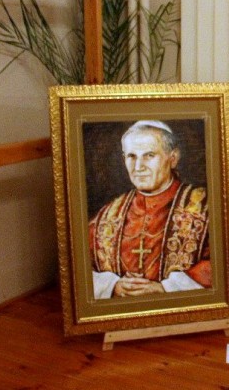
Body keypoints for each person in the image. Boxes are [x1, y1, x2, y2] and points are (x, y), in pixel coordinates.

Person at [89, 120, 210, 299]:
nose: (138, 167)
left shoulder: (204, 207)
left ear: (173, 158)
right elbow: (78, 268)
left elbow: (220, 264)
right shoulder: (108, 214)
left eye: (149, 155)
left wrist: (166, 289)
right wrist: (113, 286)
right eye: (131, 156)